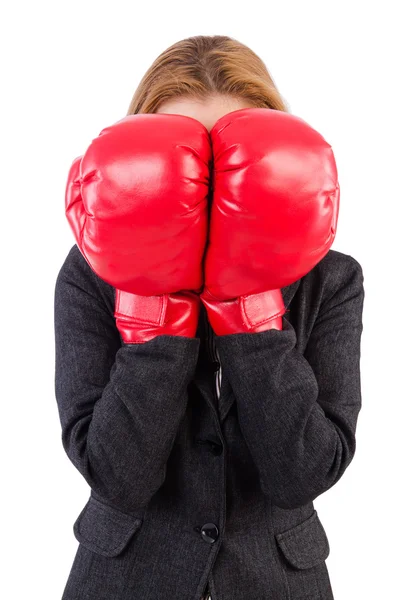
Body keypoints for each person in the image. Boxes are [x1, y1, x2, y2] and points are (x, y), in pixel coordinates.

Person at [54, 35, 365, 600]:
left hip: (276, 581)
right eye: (185, 162)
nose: (204, 184)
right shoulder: (92, 273)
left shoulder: (330, 277)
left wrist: (250, 309)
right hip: (125, 579)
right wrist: (156, 312)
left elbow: (305, 473)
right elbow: (117, 479)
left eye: (224, 161)